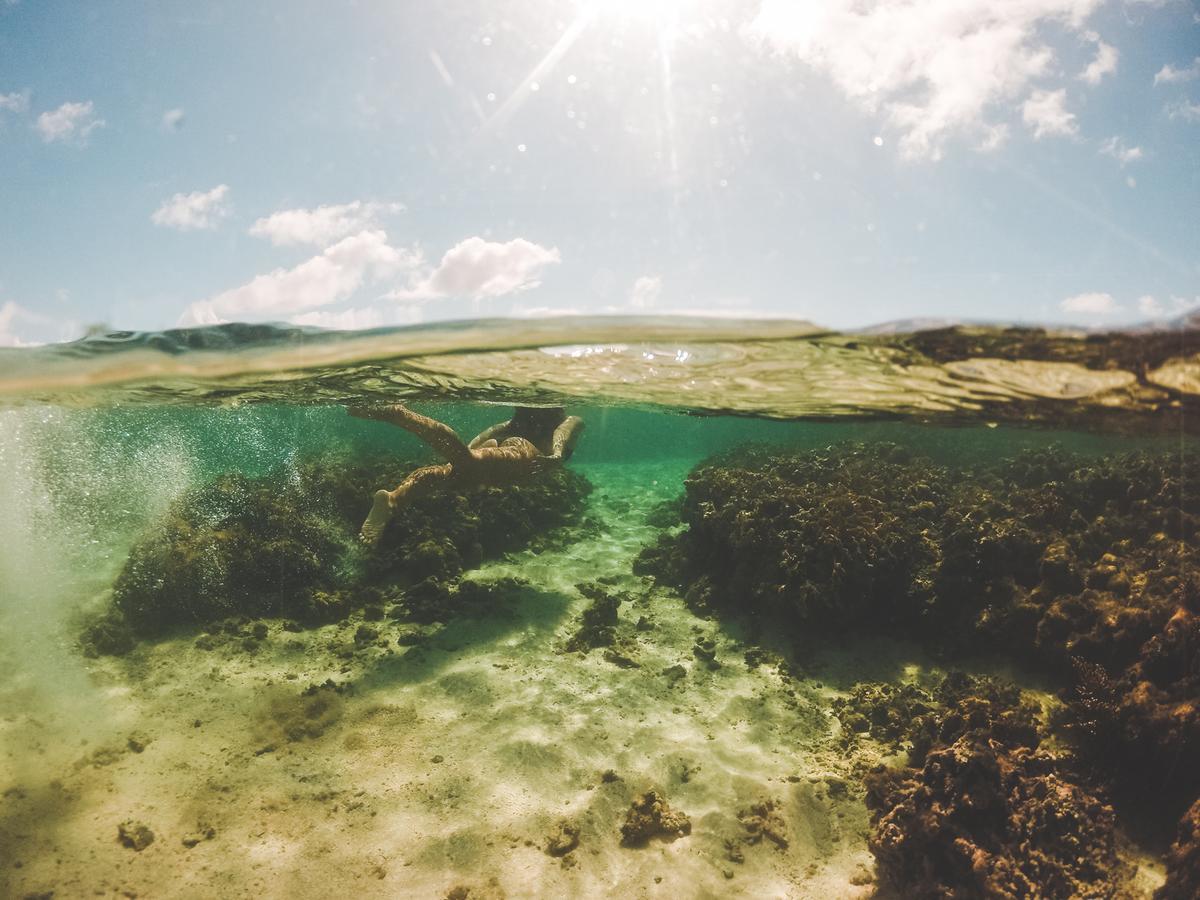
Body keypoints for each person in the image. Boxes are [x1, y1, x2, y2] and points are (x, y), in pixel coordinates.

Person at [348, 404, 584, 546]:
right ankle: (400, 414)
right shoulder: (568, 419)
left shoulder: (521, 421)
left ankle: (394, 499)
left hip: (510, 460)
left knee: (447, 476)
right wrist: (555, 457)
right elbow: (561, 435)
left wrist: (465, 454)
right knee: (466, 462)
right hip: (526, 458)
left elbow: (490, 433)